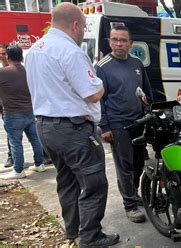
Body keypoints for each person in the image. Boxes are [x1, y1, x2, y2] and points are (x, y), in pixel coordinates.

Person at [25, 3, 119, 247]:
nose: (82, 31)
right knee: (94, 183)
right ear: (76, 25)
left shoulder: (36, 49)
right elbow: (92, 93)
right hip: (74, 129)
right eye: (83, 27)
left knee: (66, 181)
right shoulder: (70, 51)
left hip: (46, 127)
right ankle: (90, 236)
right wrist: (100, 84)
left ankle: (74, 230)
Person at [95, 26, 152, 223]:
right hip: (117, 124)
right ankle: (130, 205)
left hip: (138, 121)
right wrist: (105, 126)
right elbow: (99, 99)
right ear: (109, 42)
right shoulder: (102, 67)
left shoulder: (137, 63)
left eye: (123, 40)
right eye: (115, 40)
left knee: (138, 163)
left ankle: (134, 194)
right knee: (125, 166)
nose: (119, 44)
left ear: (130, 43)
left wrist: (148, 111)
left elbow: (146, 91)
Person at [0, 45, 45, 179]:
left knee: (15, 142)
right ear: (21, 57)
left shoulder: (3, 73)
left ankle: (18, 170)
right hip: (30, 111)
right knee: (35, 140)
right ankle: (39, 164)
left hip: (12, 113)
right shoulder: (28, 71)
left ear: (7, 57)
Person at [0, 44, 13, 168]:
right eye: (0, 54)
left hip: (22, 106)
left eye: (4, 54)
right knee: (10, 134)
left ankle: (42, 157)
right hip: (5, 108)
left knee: (33, 134)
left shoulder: (17, 67)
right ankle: (11, 157)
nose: (2, 56)